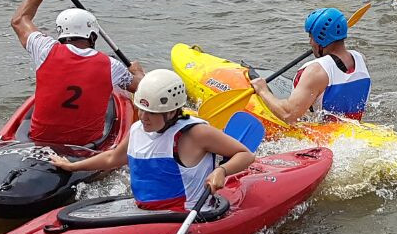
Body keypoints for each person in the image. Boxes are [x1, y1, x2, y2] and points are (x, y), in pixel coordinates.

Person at [51, 70, 254, 211]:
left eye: (151, 112)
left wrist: (221, 170)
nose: (143, 117)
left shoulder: (196, 134)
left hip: (185, 214)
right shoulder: (138, 129)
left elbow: (245, 154)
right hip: (147, 212)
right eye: (141, 109)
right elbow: (112, 158)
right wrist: (72, 167)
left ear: (172, 111)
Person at [11, 0, 143, 146]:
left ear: (61, 33)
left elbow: (19, 20)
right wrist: (137, 71)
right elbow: (146, 89)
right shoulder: (111, 65)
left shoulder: (44, 48)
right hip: (84, 147)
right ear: (93, 36)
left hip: (39, 141)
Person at [249, 8, 370, 124]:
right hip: (352, 129)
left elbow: (289, 115)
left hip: (324, 136)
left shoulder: (316, 71)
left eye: (311, 37)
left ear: (320, 38)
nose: (310, 42)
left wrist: (262, 90)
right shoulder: (360, 59)